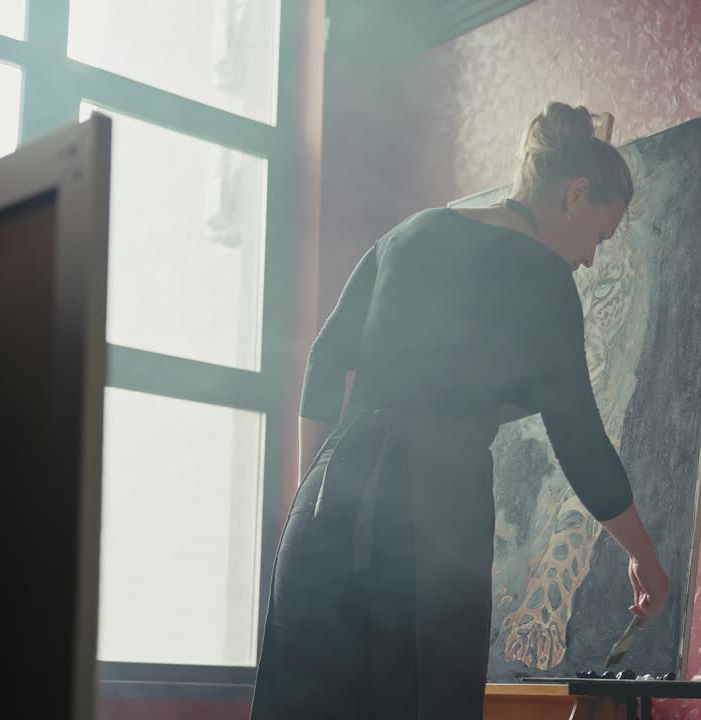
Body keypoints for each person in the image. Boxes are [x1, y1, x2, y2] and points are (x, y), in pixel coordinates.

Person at [250, 102, 671, 720]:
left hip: (327, 500)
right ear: (575, 194)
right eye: (599, 236)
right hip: (434, 507)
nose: (589, 258)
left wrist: (313, 491)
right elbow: (579, 440)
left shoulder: (410, 232)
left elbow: (322, 361)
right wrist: (644, 558)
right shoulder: (545, 279)